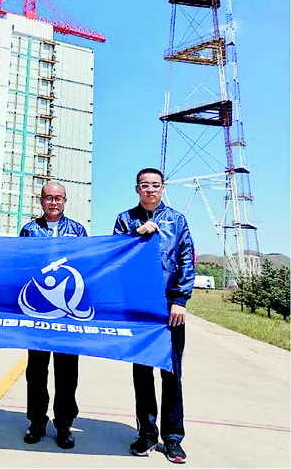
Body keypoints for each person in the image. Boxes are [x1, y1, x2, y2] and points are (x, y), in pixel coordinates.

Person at [113, 168, 195, 464]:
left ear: (162, 188)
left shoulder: (177, 220)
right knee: (142, 372)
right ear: (137, 189)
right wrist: (136, 234)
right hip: (139, 307)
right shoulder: (125, 219)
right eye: (145, 185)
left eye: (156, 185)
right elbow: (115, 254)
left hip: (169, 307)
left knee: (172, 372)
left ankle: (173, 438)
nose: (150, 189)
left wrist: (180, 299)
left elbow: (186, 258)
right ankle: (146, 433)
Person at [19, 182, 88, 450]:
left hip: (68, 312)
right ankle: (36, 421)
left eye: (58, 198)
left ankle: (64, 424)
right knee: (36, 370)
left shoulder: (78, 230)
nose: (53, 203)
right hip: (38, 310)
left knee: (67, 371)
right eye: (48, 198)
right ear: (41, 201)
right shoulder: (30, 230)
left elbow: (85, 265)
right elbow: (21, 265)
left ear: (65, 201)